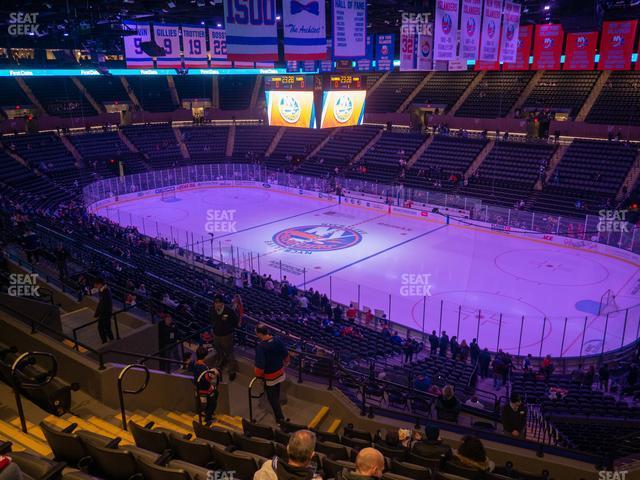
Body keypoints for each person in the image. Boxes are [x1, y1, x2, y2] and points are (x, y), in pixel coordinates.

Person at [255, 324, 290, 423]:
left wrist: (258, 377)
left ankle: (280, 419)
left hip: (270, 377)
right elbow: (286, 354)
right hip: (280, 372)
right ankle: (279, 410)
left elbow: (260, 366)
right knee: (277, 393)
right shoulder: (277, 340)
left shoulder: (261, 347)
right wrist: (286, 363)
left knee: (272, 398)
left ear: (259, 333)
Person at [209, 294, 239, 381]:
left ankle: (232, 371)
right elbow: (211, 319)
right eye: (215, 302)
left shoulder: (229, 311)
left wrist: (228, 329)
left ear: (222, 303)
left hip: (226, 336)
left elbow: (235, 321)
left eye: (219, 302)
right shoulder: (212, 309)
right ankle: (220, 366)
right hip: (216, 335)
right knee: (219, 352)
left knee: (229, 354)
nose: (217, 304)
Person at [189, 346, 220, 425]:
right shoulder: (204, 367)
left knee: (216, 393)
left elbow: (189, 368)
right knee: (213, 403)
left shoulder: (193, 363)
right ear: (205, 356)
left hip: (197, 387)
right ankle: (207, 418)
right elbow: (206, 380)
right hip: (204, 388)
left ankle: (205, 411)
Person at [93, 277, 113, 344]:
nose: (95, 286)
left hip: (105, 313)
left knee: (103, 328)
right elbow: (101, 303)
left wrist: (98, 313)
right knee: (106, 327)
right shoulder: (102, 290)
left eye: (96, 285)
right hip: (105, 312)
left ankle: (106, 341)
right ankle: (110, 340)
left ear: (100, 284)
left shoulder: (105, 290)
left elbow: (103, 303)